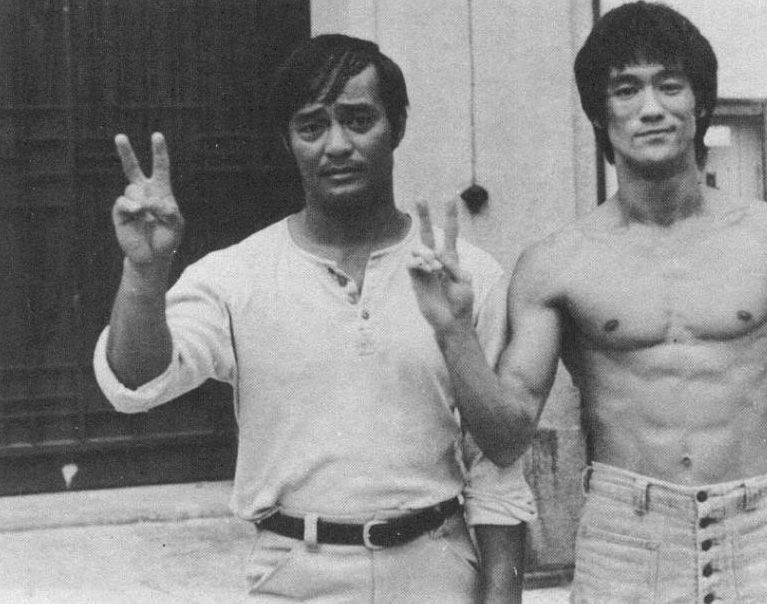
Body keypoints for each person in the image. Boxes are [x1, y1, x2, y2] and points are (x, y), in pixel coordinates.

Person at [408, 3, 767, 603]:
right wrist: (455, 334)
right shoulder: (557, 263)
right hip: (626, 543)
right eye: (626, 89)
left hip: (758, 539)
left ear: (700, 102)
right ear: (601, 114)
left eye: (670, 85)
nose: (651, 108)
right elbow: (506, 438)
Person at [93, 34, 535, 603]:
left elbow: (498, 468)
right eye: (311, 127)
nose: (337, 145)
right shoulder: (238, 274)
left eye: (359, 120)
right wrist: (144, 272)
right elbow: (136, 381)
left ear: (397, 126)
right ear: (288, 141)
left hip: (436, 568)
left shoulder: (464, 275)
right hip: (295, 571)